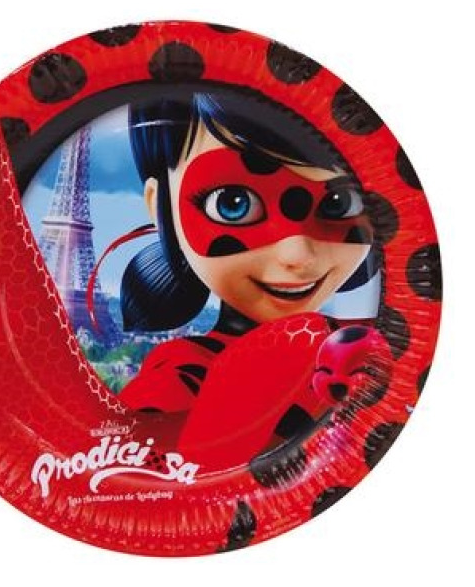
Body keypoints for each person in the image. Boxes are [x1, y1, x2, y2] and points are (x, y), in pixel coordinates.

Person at [90, 90, 382, 468]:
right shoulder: (179, 378)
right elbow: (140, 479)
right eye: (232, 203)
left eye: (339, 203)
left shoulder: (364, 343)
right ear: (159, 206)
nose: (298, 255)